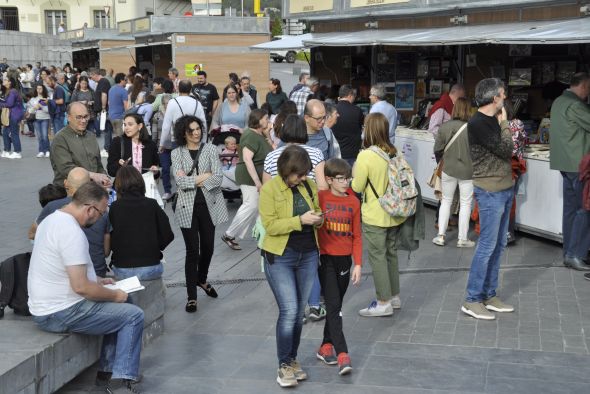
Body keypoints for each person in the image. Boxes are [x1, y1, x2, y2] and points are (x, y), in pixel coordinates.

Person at [27, 181, 145, 393]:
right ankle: (121, 380)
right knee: (133, 315)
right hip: (60, 311)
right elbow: (81, 288)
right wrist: (114, 295)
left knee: (124, 301)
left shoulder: (51, 219)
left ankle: (108, 372)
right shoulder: (71, 231)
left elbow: (66, 270)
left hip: (45, 306)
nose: (100, 219)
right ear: (90, 209)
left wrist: (99, 281)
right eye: (101, 213)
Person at [259, 145, 323, 388]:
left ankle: (293, 359)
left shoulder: (309, 186)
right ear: (287, 170)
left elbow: (317, 212)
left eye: (305, 173)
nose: (303, 178)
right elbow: (271, 225)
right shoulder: (270, 189)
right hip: (280, 256)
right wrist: (300, 220)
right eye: (299, 174)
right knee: (289, 311)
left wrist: (319, 218)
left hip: (307, 254)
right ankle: (284, 365)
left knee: (298, 313)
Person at [461, 78, 514, 320]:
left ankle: (489, 295)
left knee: (498, 245)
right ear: (495, 98)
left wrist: (502, 124)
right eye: (503, 95)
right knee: (487, 246)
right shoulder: (479, 123)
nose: (505, 99)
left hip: (504, 188)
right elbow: (505, 150)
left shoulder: (492, 120)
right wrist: (505, 125)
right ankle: (472, 299)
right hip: (490, 191)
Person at [171, 115, 228, 312]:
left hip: (208, 205)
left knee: (209, 248)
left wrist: (196, 179)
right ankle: (191, 297)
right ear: (183, 133)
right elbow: (180, 182)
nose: (196, 133)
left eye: (198, 129)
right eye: (191, 130)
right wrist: (204, 176)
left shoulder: (211, 149)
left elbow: (219, 177)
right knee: (192, 251)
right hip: (187, 207)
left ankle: (201, 279)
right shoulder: (177, 153)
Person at [351, 112, 406, 317]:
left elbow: (357, 186)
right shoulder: (394, 151)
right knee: (391, 254)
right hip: (394, 212)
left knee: (377, 257)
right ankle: (394, 296)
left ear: (369, 130)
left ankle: (383, 302)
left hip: (375, 214)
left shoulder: (365, 155)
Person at [316, 158, 362, 375]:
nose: (346, 182)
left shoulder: (354, 202)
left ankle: (325, 345)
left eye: (348, 178)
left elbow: (357, 236)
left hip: (345, 261)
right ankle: (343, 353)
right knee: (334, 305)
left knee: (335, 306)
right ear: (329, 180)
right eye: (341, 178)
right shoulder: (320, 198)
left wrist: (358, 264)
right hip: (325, 259)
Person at [31, 167, 111, 278]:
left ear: (66, 183)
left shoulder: (51, 208)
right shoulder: (100, 212)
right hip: (95, 270)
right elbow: (106, 252)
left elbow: (32, 234)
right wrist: (116, 294)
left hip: (62, 274)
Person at [549, 72, 590, 271]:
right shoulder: (576, 105)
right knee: (585, 210)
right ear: (582, 86)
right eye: (588, 89)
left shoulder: (558, 101)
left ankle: (568, 252)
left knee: (571, 210)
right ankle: (576, 254)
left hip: (565, 164)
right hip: (579, 165)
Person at [109, 165, 174, 281]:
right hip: (151, 266)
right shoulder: (152, 205)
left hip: (123, 267)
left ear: (118, 185)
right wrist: (155, 248)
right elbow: (168, 234)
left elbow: (108, 236)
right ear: (140, 182)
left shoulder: (114, 208)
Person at [221, 109, 272, 250]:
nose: (268, 121)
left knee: (257, 207)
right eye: (266, 118)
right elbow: (248, 160)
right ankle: (229, 234)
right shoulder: (250, 135)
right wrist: (257, 182)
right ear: (258, 119)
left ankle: (261, 236)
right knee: (251, 205)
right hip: (249, 177)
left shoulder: (259, 135)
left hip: (257, 176)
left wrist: (267, 134)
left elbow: (272, 151)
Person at [432, 97, 475, 248]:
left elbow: (437, 149)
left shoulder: (444, 127)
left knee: (446, 201)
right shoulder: (473, 127)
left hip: (448, 169)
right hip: (468, 171)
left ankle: (441, 236)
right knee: (465, 203)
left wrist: (442, 162)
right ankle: (462, 238)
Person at [160, 80, 207, 200]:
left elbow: (166, 126)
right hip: (195, 140)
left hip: (178, 140)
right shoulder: (197, 103)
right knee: (193, 167)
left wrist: (162, 143)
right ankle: (192, 192)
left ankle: (180, 192)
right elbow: (203, 125)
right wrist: (204, 142)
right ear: (191, 89)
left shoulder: (172, 102)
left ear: (177, 88)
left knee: (179, 168)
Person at [50, 102, 112, 188]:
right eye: (79, 117)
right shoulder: (60, 139)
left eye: (86, 116)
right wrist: (93, 175)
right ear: (68, 117)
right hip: (70, 190)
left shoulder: (91, 136)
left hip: (93, 189)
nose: (83, 121)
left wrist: (104, 178)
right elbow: (66, 168)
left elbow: (98, 165)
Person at [506, 99, 527, 244]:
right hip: (515, 166)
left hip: (500, 166)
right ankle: (509, 233)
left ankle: (500, 232)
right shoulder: (518, 123)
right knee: (510, 199)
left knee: (501, 200)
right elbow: (524, 141)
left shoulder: (496, 124)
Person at [331, 85, 364, 167]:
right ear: (350, 95)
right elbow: (360, 129)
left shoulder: (332, 110)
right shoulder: (357, 110)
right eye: (354, 96)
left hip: (335, 151)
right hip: (353, 152)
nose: (354, 98)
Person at [89, 67, 112, 156]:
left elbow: (104, 94)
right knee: (107, 128)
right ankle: (108, 147)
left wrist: (103, 107)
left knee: (106, 129)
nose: (91, 78)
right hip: (102, 109)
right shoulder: (101, 82)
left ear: (95, 74)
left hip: (104, 109)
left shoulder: (103, 82)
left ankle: (107, 148)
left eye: (91, 76)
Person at [0, 77, 24, 159]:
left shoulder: (13, 91)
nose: (4, 81)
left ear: (10, 82)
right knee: (5, 133)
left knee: (14, 133)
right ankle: (6, 150)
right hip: (10, 114)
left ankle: (17, 152)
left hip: (14, 114)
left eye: (5, 80)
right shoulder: (8, 91)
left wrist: (1, 104)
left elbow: (10, 103)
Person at [27, 83, 51, 158]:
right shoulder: (33, 99)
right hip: (36, 119)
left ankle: (47, 150)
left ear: (43, 89)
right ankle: (41, 151)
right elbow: (30, 111)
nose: (39, 90)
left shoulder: (47, 98)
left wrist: (41, 106)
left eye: (40, 88)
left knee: (44, 135)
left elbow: (48, 110)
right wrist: (34, 108)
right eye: (38, 88)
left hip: (45, 118)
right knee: (39, 136)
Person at [108, 73, 129, 140]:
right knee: (121, 138)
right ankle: (120, 150)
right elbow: (126, 106)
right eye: (125, 80)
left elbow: (109, 103)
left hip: (111, 116)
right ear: (121, 80)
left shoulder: (111, 89)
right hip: (120, 116)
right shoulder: (124, 91)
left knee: (116, 136)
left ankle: (116, 149)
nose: (127, 82)